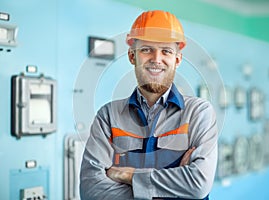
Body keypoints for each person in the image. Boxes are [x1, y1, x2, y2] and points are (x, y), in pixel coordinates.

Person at [80, 10, 218, 200]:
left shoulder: (198, 113)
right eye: (146, 49)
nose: (156, 58)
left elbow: (198, 184)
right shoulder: (108, 116)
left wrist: (128, 176)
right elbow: (91, 191)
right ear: (132, 56)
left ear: (177, 59)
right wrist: (175, 187)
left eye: (166, 51)